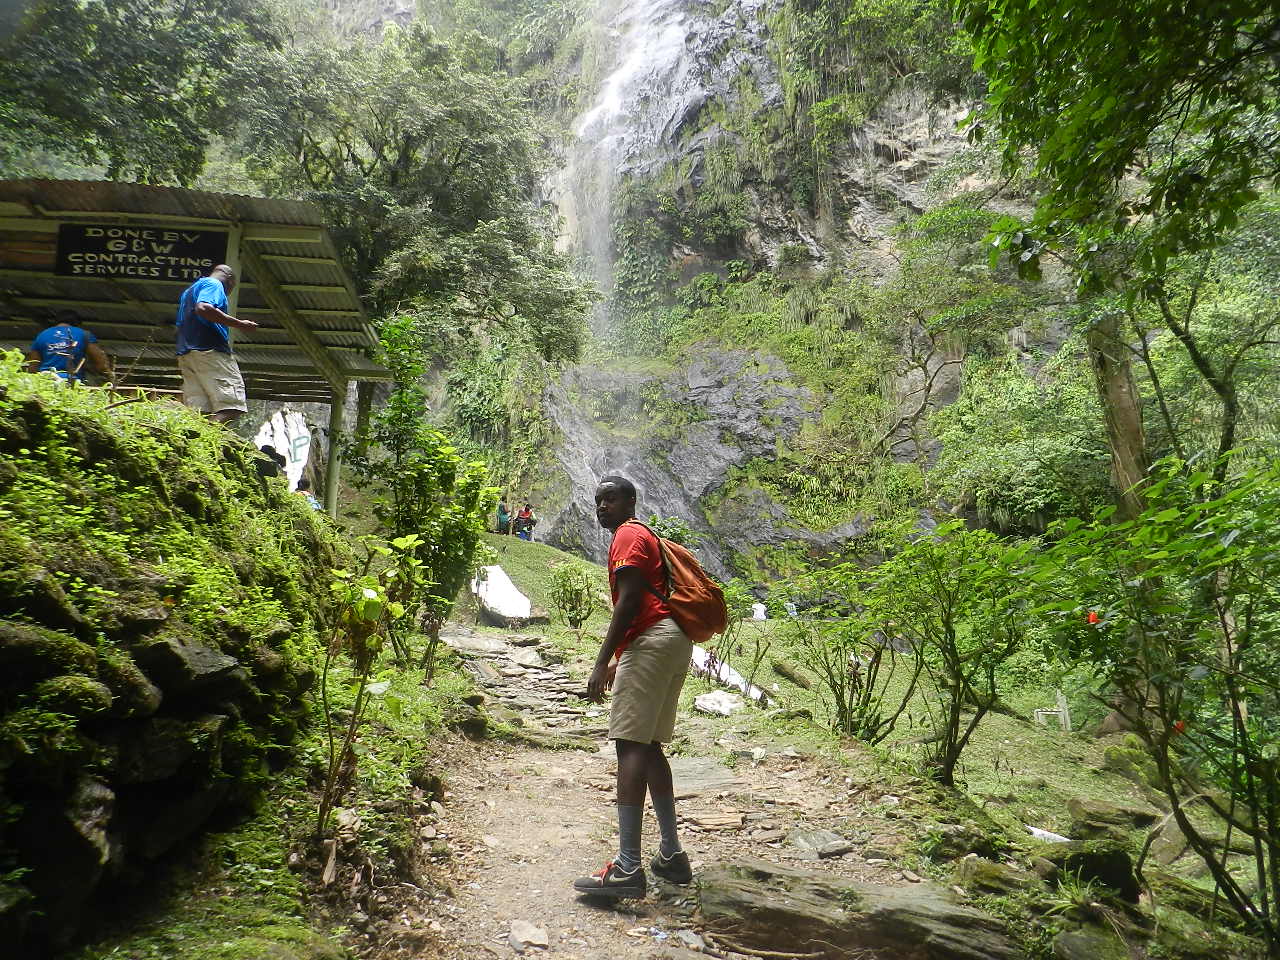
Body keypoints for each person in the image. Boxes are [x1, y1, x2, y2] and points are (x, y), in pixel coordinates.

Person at [572, 475, 693, 900]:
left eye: (611, 498)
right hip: (672, 641)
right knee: (650, 745)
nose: (602, 506)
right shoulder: (646, 536)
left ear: (630, 502)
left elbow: (629, 600)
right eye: (598, 500)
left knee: (629, 746)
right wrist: (622, 658)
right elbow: (646, 603)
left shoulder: (627, 535)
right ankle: (672, 855)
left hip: (652, 641)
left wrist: (602, 660)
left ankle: (627, 868)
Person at [175, 264, 258, 424]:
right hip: (210, 351)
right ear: (230, 280)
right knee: (232, 406)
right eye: (230, 290)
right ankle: (206, 443)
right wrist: (240, 324)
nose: (227, 294)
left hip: (187, 354)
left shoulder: (189, 292)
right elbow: (204, 308)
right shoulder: (214, 284)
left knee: (200, 412)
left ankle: (197, 445)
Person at [25, 311, 112, 382]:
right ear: (77, 323)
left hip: (45, 381)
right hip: (71, 382)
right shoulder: (83, 334)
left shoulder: (42, 335)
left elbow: (33, 365)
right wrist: (108, 375)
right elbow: (100, 362)